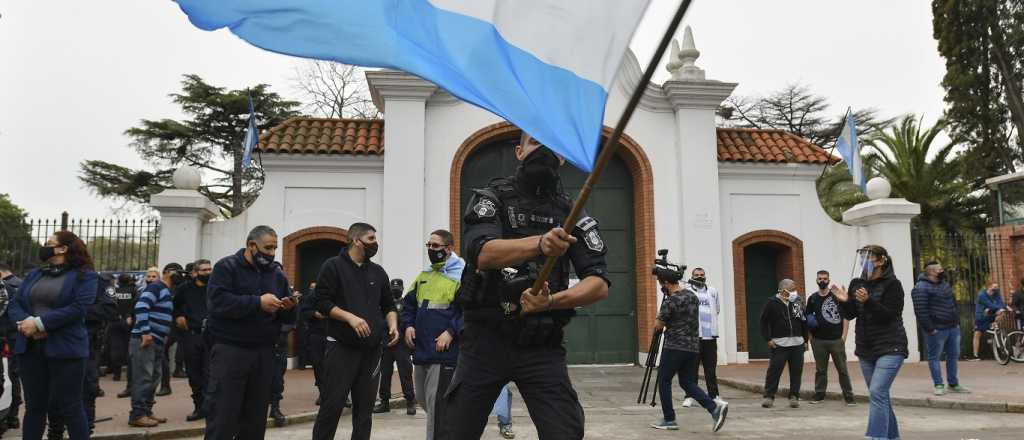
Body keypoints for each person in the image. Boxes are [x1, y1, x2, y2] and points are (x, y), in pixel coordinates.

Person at [444, 131, 611, 439]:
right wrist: (541, 243)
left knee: (566, 431)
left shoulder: (571, 212)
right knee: (453, 432)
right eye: (534, 142)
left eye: (551, 145)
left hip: (541, 345)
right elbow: (482, 252)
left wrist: (552, 302)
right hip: (485, 342)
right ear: (519, 152)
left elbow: (598, 283)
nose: (542, 150)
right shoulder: (491, 197)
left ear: (561, 158)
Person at [204, 225, 297, 440]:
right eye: (268, 247)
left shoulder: (276, 274)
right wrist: (257, 303)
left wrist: (289, 307)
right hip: (231, 351)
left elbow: (287, 319)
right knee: (223, 416)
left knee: (255, 420)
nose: (272, 253)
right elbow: (218, 303)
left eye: (275, 248)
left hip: (264, 353)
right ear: (251, 246)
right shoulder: (226, 267)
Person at [312, 222, 399, 440]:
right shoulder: (332, 266)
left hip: (371, 352)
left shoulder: (378, 272)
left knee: (364, 412)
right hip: (341, 349)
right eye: (371, 239)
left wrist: (393, 324)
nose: (375, 244)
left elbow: (388, 305)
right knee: (332, 406)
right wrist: (350, 318)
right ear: (355, 240)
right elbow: (322, 302)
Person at [8, 231, 97, 440]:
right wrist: (26, 325)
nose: (44, 246)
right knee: (34, 408)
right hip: (30, 348)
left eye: (49, 243)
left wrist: (39, 324)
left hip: (66, 349)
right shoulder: (35, 274)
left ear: (63, 249)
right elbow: (15, 303)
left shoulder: (86, 276)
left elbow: (78, 308)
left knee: (71, 407)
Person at [832, 245, 908, 440]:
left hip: (891, 345)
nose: (863, 262)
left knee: (877, 391)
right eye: (861, 258)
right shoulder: (857, 283)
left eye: (868, 257)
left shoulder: (893, 284)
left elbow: (890, 315)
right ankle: (893, 436)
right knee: (879, 396)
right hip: (866, 348)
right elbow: (851, 314)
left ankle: (876, 436)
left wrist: (869, 301)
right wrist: (844, 301)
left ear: (881, 261)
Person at [399, 230, 466, 439]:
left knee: (437, 407)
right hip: (421, 350)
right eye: (428, 245)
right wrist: (408, 325)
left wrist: (450, 332)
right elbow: (408, 304)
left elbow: (468, 311)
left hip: (444, 351)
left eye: (435, 246)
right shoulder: (425, 275)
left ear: (449, 249)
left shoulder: (462, 275)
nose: (430, 249)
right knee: (423, 399)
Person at [649, 274, 729, 431]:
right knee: (687, 382)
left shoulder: (670, 301)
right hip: (693, 346)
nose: (661, 287)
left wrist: (662, 315)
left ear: (666, 283)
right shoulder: (692, 296)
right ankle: (714, 409)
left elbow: (658, 325)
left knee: (664, 380)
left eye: (661, 284)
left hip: (674, 346)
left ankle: (669, 419)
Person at [127, 263, 178, 428]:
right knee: (143, 377)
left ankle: (147, 411)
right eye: (177, 272)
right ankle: (137, 414)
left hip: (156, 340)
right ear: (167, 273)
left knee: (154, 377)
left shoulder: (166, 291)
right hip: (145, 339)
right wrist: (146, 332)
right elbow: (141, 307)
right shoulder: (156, 287)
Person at [911, 262, 968, 395]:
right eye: (940, 269)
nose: (943, 271)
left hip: (952, 327)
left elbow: (953, 303)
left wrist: (957, 322)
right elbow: (920, 311)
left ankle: (953, 384)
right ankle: (939, 384)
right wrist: (931, 329)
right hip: (936, 330)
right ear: (931, 272)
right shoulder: (920, 288)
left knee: (953, 356)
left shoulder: (944, 285)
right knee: (934, 357)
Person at [806, 270, 855, 405]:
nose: (822, 281)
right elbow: (807, 318)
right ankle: (819, 395)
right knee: (820, 371)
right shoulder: (813, 298)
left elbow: (846, 317)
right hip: (818, 341)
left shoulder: (836, 297)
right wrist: (811, 339)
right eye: (820, 278)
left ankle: (849, 396)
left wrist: (843, 337)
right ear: (816, 280)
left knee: (842, 370)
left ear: (829, 280)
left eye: (825, 278)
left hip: (836, 340)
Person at [172, 259, 212, 422]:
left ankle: (211, 407)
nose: (208, 273)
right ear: (195, 273)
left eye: (210, 269)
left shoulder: (214, 289)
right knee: (194, 374)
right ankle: (199, 407)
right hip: (191, 335)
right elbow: (175, 307)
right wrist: (179, 316)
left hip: (211, 337)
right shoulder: (184, 289)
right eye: (204, 270)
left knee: (210, 374)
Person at [759, 279, 808, 409]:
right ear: (782, 290)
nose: (794, 292)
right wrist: (768, 339)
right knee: (774, 371)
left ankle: (794, 396)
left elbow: (802, 320)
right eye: (791, 289)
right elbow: (763, 322)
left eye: (794, 289)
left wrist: (805, 340)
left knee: (796, 372)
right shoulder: (772, 303)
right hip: (780, 344)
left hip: (797, 343)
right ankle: (769, 396)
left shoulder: (797, 301)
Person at [680, 267, 723, 407]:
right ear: (692, 276)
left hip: (710, 338)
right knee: (691, 369)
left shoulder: (712, 291)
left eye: (702, 275)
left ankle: (714, 395)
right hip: (694, 337)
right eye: (696, 275)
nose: (699, 277)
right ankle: (689, 396)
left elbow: (717, 309)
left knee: (710, 369)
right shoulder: (687, 291)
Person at [377, 279, 416, 416]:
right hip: (387, 344)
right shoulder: (385, 306)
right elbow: (380, 322)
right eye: (393, 287)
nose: (395, 289)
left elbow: (409, 321)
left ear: (403, 288)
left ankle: (410, 402)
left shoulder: (407, 304)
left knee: (405, 374)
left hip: (402, 346)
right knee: (385, 374)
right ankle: (384, 402)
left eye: (398, 287)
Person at [0, 262, 24, 434]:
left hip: (8, 339)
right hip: (12, 339)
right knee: (12, 377)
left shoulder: (8, 288)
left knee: (9, 377)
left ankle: (9, 415)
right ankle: (12, 416)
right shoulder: (20, 285)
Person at [269, 283, 295, 428]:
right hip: (263, 343)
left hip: (280, 343)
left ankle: (275, 408)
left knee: (278, 378)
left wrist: (282, 330)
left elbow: (292, 319)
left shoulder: (286, 294)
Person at [299, 282, 327, 405]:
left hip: (334, 335)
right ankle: (323, 393)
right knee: (318, 364)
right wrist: (314, 314)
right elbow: (303, 311)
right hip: (316, 334)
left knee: (334, 366)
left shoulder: (336, 292)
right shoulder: (313, 295)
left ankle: (341, 394)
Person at [972, 280, 1007, 360]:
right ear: (989, 287)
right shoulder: (982, 295)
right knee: (977, 334)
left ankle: (994, 323)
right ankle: (975, 355)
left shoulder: (997, 293)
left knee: (1002, 312)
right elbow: (990, 305)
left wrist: (1000, 308)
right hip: (981, 316)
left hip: (991, 313)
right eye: (994, 287)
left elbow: (1001, 303)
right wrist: (997, 307)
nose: (996, 289)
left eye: (997, 287)